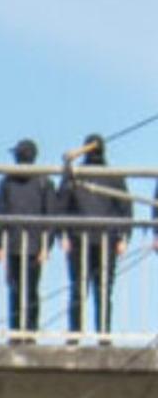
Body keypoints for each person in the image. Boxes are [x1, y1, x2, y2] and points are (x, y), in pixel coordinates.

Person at [58, 134, 130, 340]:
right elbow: (125, 208)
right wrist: (63, 234)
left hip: (99, 238)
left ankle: (90, 333)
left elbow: (124, 207)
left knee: (91, 289)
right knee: (95, 289)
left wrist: (123, 237)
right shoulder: (83, 175)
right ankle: (92, 334)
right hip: (85, 238)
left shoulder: (105, 176)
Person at [0, 139, 54, 341]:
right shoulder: (7, 182)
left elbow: (50, 217)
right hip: (15, 244)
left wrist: (46, 245)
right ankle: (17, 331)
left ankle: (29, 331)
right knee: (17, 289)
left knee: (30, 290)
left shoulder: (42, 182)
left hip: (31, 245)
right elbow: (0, 213)